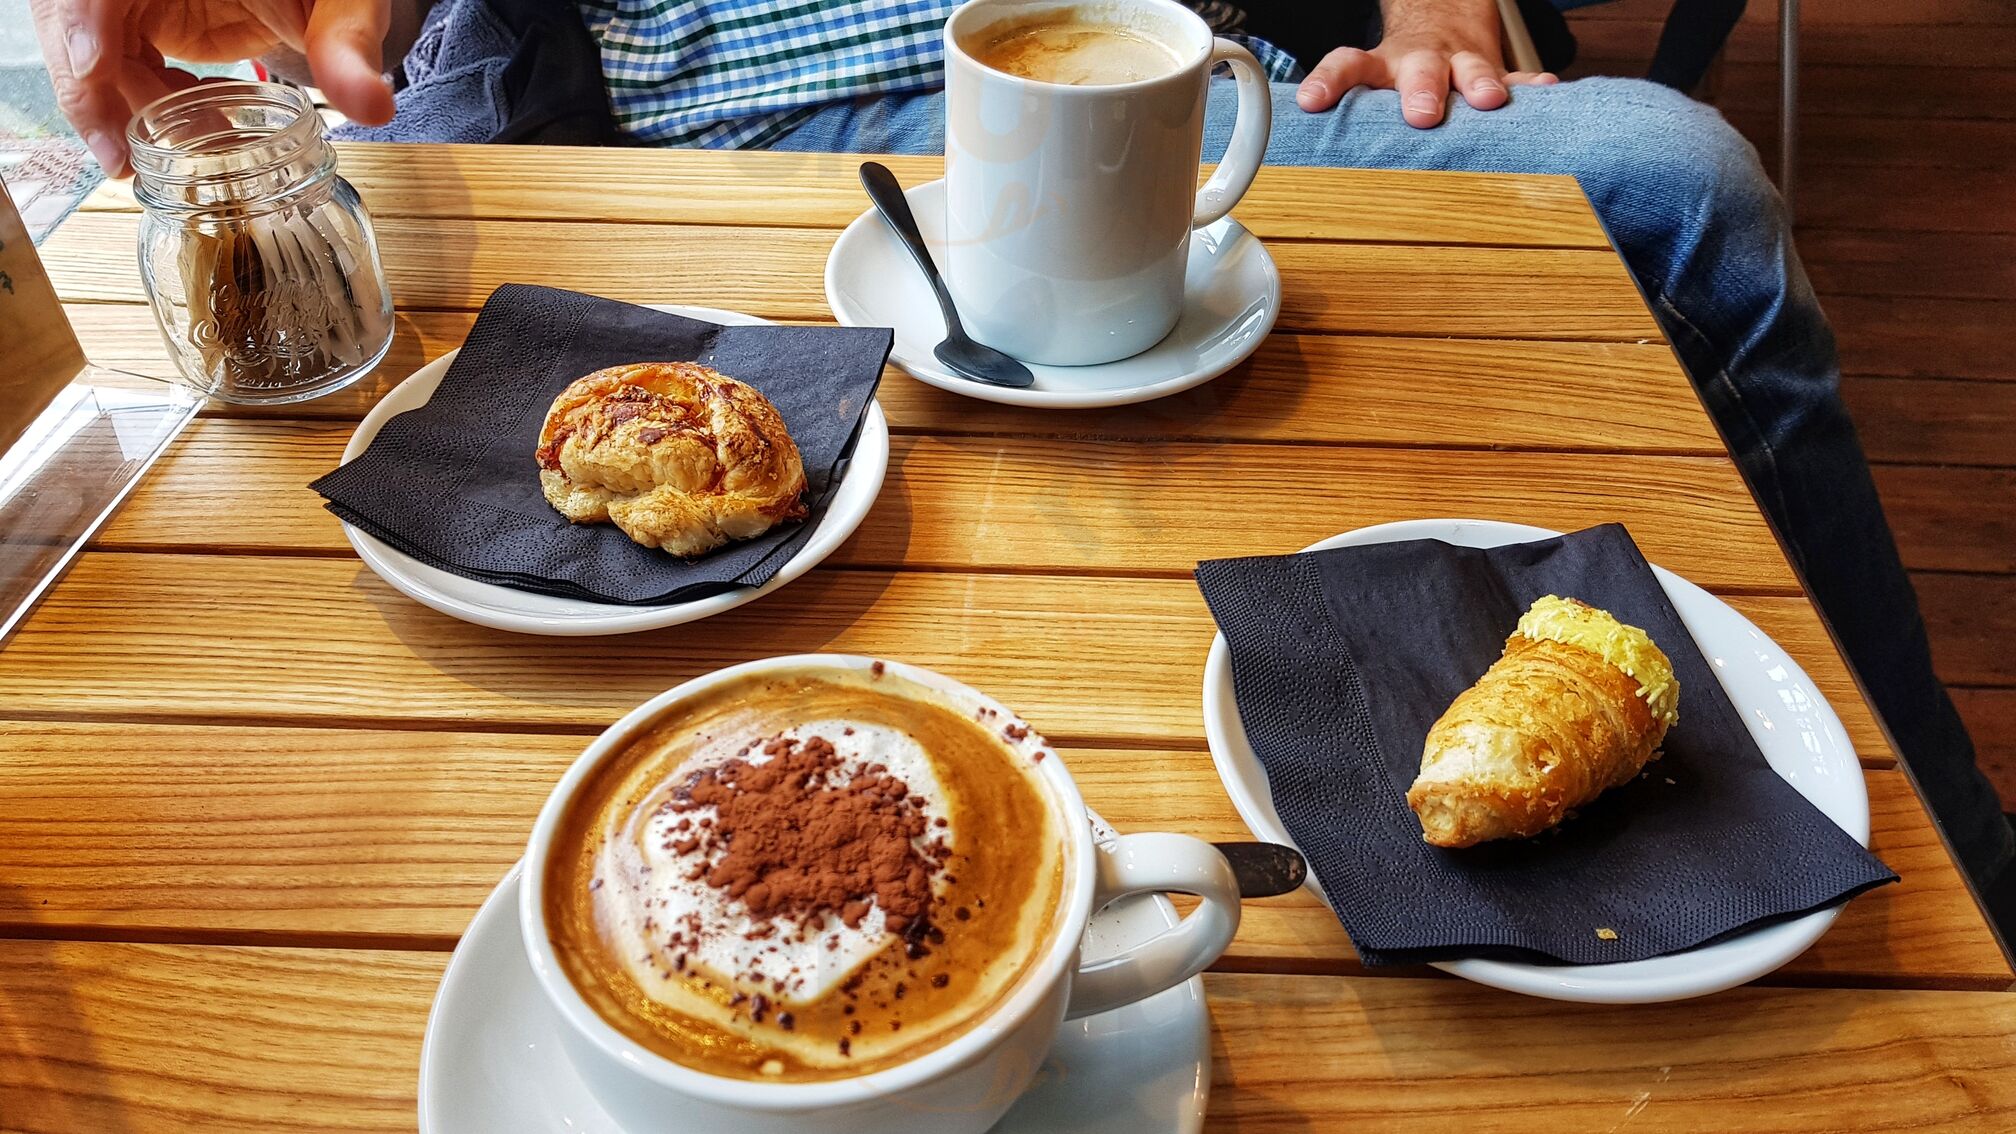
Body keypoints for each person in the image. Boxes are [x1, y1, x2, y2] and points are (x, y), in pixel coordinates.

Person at [29, 0, 2016, 897]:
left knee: (1666, 179)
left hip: (1177, 82)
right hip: (724, 138)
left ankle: (1948, 849)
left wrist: (1437, 3)